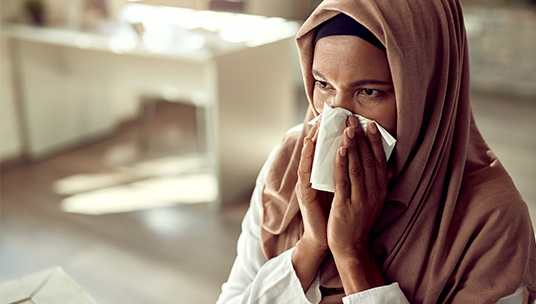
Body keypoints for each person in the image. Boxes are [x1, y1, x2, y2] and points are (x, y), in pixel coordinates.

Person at [217, 0, 536, 303]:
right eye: (323, 84)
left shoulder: (492, 219)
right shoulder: (289, 162)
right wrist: (312, 244)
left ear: (425, 93)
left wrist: (352, 254)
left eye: (369, 92)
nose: (336, 118)